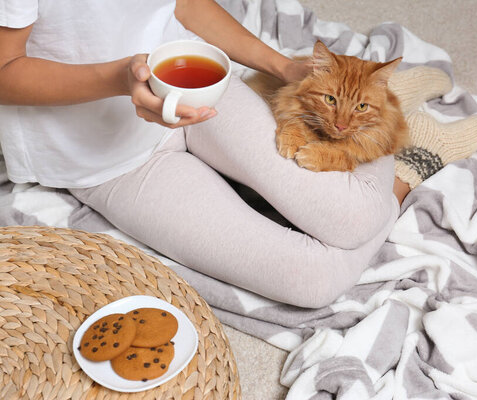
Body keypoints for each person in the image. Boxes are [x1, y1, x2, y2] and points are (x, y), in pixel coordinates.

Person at [0, 0, 410, 308]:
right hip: (106, 158)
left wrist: (282, 67)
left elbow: (184, 2)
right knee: (314, 281)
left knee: (355, 218)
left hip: (196, 82)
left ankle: (382, 131)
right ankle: (395, 182)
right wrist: (121, 78)